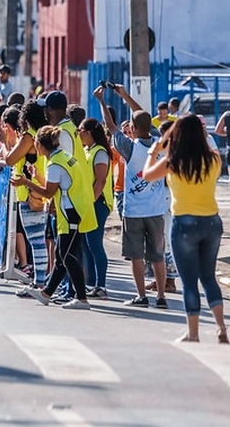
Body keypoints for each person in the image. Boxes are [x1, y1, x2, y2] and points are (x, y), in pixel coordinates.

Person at [142, 115, 226, 343]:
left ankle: (193, 332)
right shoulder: (214, 159)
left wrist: (155, 149)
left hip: (184, 223)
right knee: (209, 278)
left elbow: (147, 175)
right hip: (211, 222)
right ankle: (221, 328)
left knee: (189, 281)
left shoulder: (172, 160)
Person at [95, 85, 169, 308]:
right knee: (157, 255)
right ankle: (161, 296)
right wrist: (125, 96)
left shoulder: (128, 147)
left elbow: (110, 126)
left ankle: (142, 296)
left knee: (136, 255)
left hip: (134, 211)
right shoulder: (159, 143)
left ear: (134, 129)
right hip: (156, 210)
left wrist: (101, 100)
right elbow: (143, 117)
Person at [11, 126, 96, 310]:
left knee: (67, 256)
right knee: (61, 255)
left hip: (71, 211)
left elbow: (49, 192)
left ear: (40, 145)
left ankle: (82, 298)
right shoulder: (63, 156)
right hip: (75, 208)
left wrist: (26, 182)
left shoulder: (55, 164)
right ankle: (46, 293)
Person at [78, 118, 113, 299]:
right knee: (86, 244)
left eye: (81, 130)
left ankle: (101, 286)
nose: (78, 133)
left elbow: (101, 180)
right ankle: (91, 283)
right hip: (88, 202)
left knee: (95, 244)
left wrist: (91, 201)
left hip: (97, 203)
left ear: (89, 132)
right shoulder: (87, 150)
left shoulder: (100, 153)